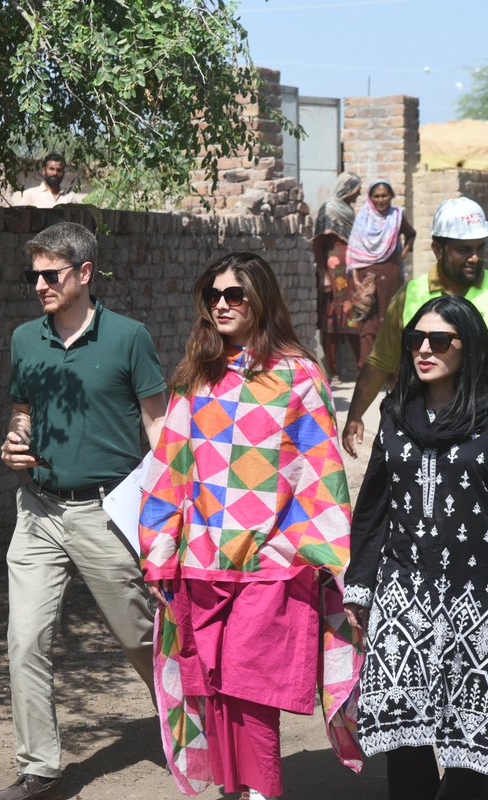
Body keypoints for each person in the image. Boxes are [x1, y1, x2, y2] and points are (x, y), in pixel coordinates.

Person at [139, 252, 362, 800]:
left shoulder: (299, 375)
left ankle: (262, 792)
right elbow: (170, 467)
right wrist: (159, 551)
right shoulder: (197, 375)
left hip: (271, 565)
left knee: (254, 686)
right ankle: (234, 790)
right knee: (212, 686)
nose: (221, 304)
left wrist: (328, 557)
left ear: (260, 300)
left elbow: (320, 472)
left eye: (234, 295)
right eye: (212, 295)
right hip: (201, 561)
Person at [343, 294, 488, 800]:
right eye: (416, 339)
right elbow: (375, 506)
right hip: (405, 596)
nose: (424, 349)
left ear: (469, 345)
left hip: (484, 601)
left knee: (470, 748)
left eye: (439, 340)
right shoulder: (397, 412)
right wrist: (360, 582)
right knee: (403, 735)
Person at [0, 222, 166, 800]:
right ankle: (38, 768)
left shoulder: (129, 337)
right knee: (25, 640)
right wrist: (14, 441)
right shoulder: (25, 339)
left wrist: (170, 510)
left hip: (105, 512)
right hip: (38, 509)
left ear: (85, 273)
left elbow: (159, 428)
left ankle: (190, 730)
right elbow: (22, 409)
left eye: (51, 274)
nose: (39, 285)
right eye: (33, 275)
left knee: (138, 637)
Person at [342, 197, 488, 486]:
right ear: (437, 249)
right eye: (464, 249)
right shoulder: (410, 295)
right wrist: (355, 414)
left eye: (479, 248)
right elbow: (380, 363)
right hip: (421, 430)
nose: (475, 257)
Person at [344, 180, 417, 367]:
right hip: (368, 278)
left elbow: (411, 234)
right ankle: (367, 368)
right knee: (368, 321)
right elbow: (354, 250)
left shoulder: (396, 216)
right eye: (376, 196)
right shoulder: (363, 219)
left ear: (391, 196)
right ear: (370, 198)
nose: (381, 199)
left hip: (391, 275)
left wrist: (403, 253)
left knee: (391, 319)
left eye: (384, 195)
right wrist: (356, 280)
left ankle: (392, 369)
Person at [311, 172, 363, 379]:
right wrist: (323, 274)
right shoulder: (329, 209)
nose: (358, 195)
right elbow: (318, 245)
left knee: (353, 316)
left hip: (350, 271)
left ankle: (360, 368)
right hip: (333, 272)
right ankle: (331, 371)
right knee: (331, 318)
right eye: (356, 190)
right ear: (347, 189)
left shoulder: (347, 210)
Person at [10, 152, 80, 208]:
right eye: (51, 169)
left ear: (63, 173)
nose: (55, 173)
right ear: (44, 170)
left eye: (59, 170)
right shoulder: (29, 195)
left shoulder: (70, 198)